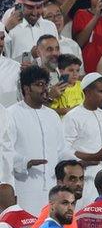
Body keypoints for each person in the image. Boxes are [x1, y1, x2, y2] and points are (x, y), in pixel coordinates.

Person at [7, 65, 72, 216]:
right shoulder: (11, 114)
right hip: (24, 186)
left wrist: (77, 161)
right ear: (27, 89)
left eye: (46, 84)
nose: (45, 89)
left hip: (51, 187)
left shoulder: (52, 116)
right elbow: (4, 152)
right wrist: (25, 162)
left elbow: (61, 150)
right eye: (39, 85)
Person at [62, 72, 102, 206]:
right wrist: (93, 157)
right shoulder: (73, 116)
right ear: (87, 92)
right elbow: (64, 150)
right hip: (85, 179)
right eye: (101, 91)